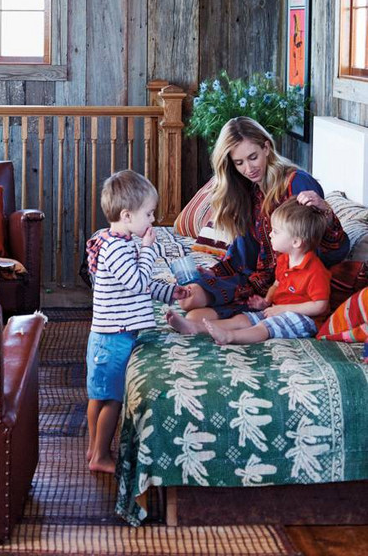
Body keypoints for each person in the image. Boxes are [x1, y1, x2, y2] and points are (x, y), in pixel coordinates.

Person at [179, 117, 348, 322]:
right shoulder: (247, 188)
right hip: (254, 278)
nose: (249, 168)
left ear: (266, 147)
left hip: (289, 282)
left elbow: (332, 251)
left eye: (253, 157)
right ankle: (231, 314)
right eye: (239, 163)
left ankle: (233, 320)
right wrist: (216, 273)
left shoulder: (297, 182)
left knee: (194, 317)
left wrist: (326, 212)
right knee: (188, 300)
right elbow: (242, 250)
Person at [85, 170, 190, 474]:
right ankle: (101, 455)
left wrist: (172, 292)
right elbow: (137, 281)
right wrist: (147, 250)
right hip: (113, 339)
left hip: (109, 336)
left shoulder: (120, 241)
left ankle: (95, 447)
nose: (153, 220)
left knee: (99, 395)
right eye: (149, 213)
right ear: (128, 215)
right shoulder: (118, 248)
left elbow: (144, 286)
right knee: (112, 400)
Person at [167, 197, 330, 344]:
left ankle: (229, 337)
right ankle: (194, 327)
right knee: (242, 319)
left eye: (276, 231)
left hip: (306, 319)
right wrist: (266, 301)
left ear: (296, 242)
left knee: (264, 327)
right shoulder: (284, 260)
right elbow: (277, 284)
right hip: (277, 310)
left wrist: (283, 309)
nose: (270, 234)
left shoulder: (315, 271)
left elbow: (320, 306)